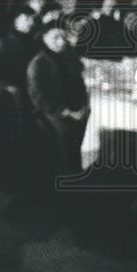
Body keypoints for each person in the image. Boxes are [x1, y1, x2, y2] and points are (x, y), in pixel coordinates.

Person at [27, 23, 91, 181]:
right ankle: (68, 178)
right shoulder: (38, 63)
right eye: (55, 37)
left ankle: (83, 173)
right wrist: (69, 112)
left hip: (74, 109)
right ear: (44, 38)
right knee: (68, 138)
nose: (61, 41)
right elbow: (40, 99)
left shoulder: (67, 57)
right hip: (51, 112)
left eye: (63, 37)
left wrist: (84, 106)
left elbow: (80, 84)